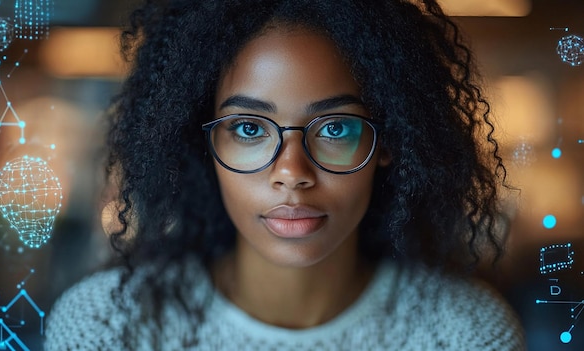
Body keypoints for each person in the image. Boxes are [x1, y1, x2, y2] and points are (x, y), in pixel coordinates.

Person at [44, 0, 526, 349]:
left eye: (335, 127)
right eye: (249, 127)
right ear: (202, 143)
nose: (292, 173)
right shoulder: (109, 326)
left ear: (391, 141)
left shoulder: (464, 333)